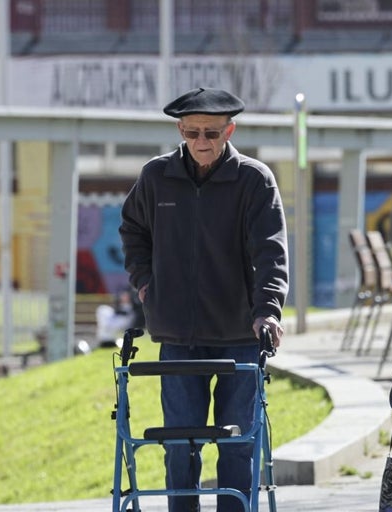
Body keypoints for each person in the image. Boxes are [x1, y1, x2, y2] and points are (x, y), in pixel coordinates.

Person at [119, 87, 289, 512]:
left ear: (229, 130)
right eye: (192, 132)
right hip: (177, 336)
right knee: (180, 446)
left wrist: (268, 311)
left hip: (239, 336)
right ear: (180, 129)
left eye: (212, 133)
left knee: (235, 447)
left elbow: (271, 250)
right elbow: (133, 230)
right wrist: (145, 283)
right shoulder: (156, 176)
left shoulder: (254, 179)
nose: (202, 142)